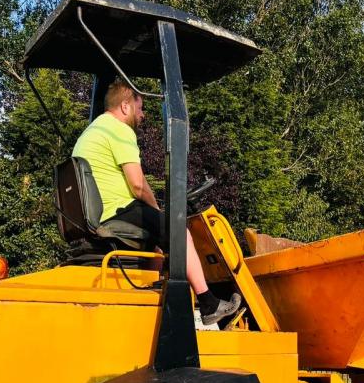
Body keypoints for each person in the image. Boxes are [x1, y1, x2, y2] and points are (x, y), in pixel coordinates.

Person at [72, 78, 242, 326]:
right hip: (116, 211)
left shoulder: (93, 130)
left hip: (103, 211)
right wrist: (159, 210)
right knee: (178, 233)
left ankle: (150, 294)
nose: (142, 116)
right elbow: (138, 185)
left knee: (158, 242)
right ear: (125, 106)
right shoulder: (118, 130)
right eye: (140, 109)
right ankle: (208, 302)